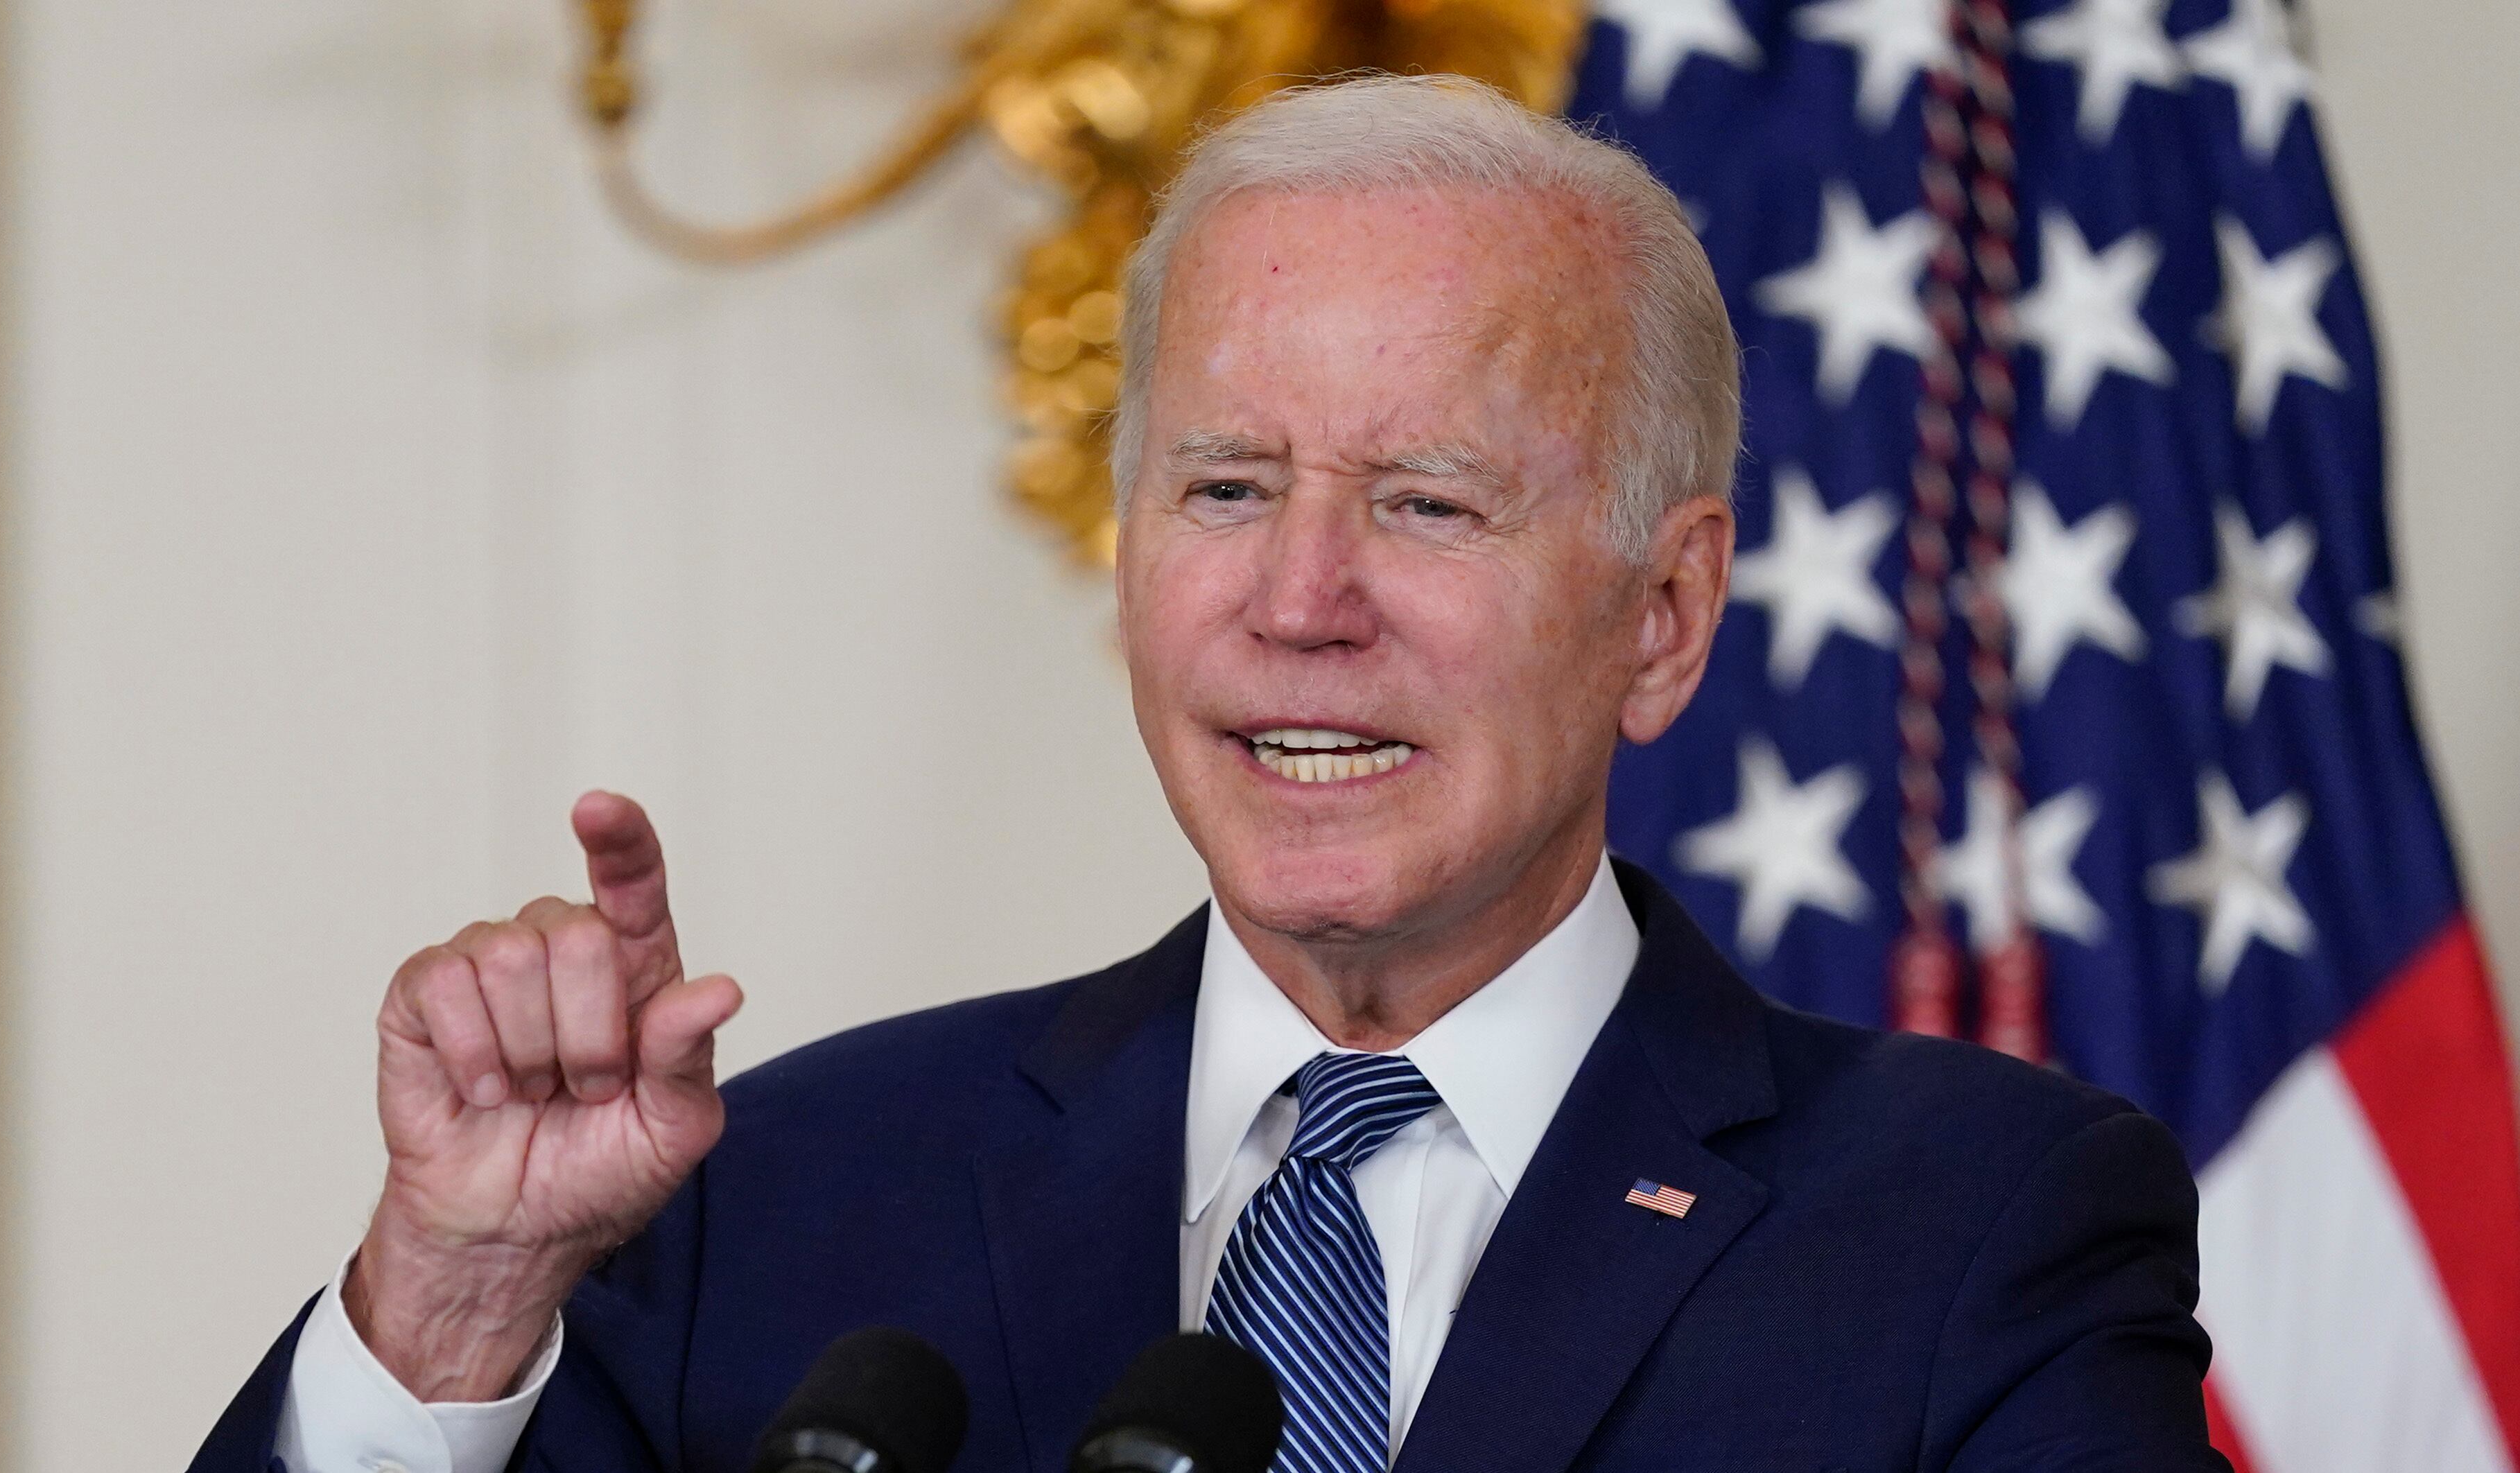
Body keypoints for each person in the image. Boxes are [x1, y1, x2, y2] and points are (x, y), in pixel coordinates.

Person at [192, 75, 2223, 1473]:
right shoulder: (775, 1198)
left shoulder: (1976, 1227)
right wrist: (454, 1298)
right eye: (1226, 486)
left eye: (1426, 503)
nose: (1301, 599)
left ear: (1663, 619)